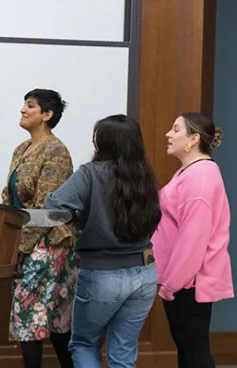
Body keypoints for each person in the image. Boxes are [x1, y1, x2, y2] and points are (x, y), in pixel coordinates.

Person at [45, 114, 161, 368]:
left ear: (103, 143)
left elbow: (54, 204)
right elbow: (154, 218)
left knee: (84, 344)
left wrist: (79, 217)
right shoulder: (144, 175)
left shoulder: (90, 173)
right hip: (145, 273)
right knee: (123, 352)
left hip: (101, 273)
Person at [1, 88, 77, 368]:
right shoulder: (21, 148)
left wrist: (20, 246)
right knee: (34, 321)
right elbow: (9, 198)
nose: (23, 109)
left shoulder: (56, 150)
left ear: (47, 115)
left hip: (49, 245)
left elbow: (46, 208)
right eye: (23, 104)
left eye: (30, 106)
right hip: (25, 243)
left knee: (39, 321)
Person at [151, 113, 233, 368]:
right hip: (181, 282)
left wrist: (171, 285)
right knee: (187, 351)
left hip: (188, 284)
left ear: (194, 139)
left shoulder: (201, 176)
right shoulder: (189, 173)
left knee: (194, 353)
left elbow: (193, 240)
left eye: (176, 129)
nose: (169, 134)